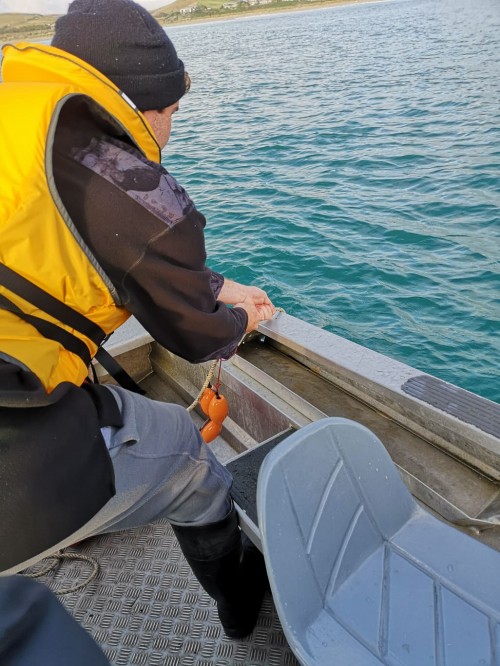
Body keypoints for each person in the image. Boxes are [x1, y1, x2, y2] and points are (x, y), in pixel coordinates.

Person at [0, 0, 275, 642]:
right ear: (144, 106)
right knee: (187, 456)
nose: (171, 129)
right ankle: (244, 610)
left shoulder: (19, 117)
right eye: (173, 114)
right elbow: (191, 334)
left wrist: (212, 285)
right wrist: (237, 319)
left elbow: (62, 254)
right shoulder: (134, 187)